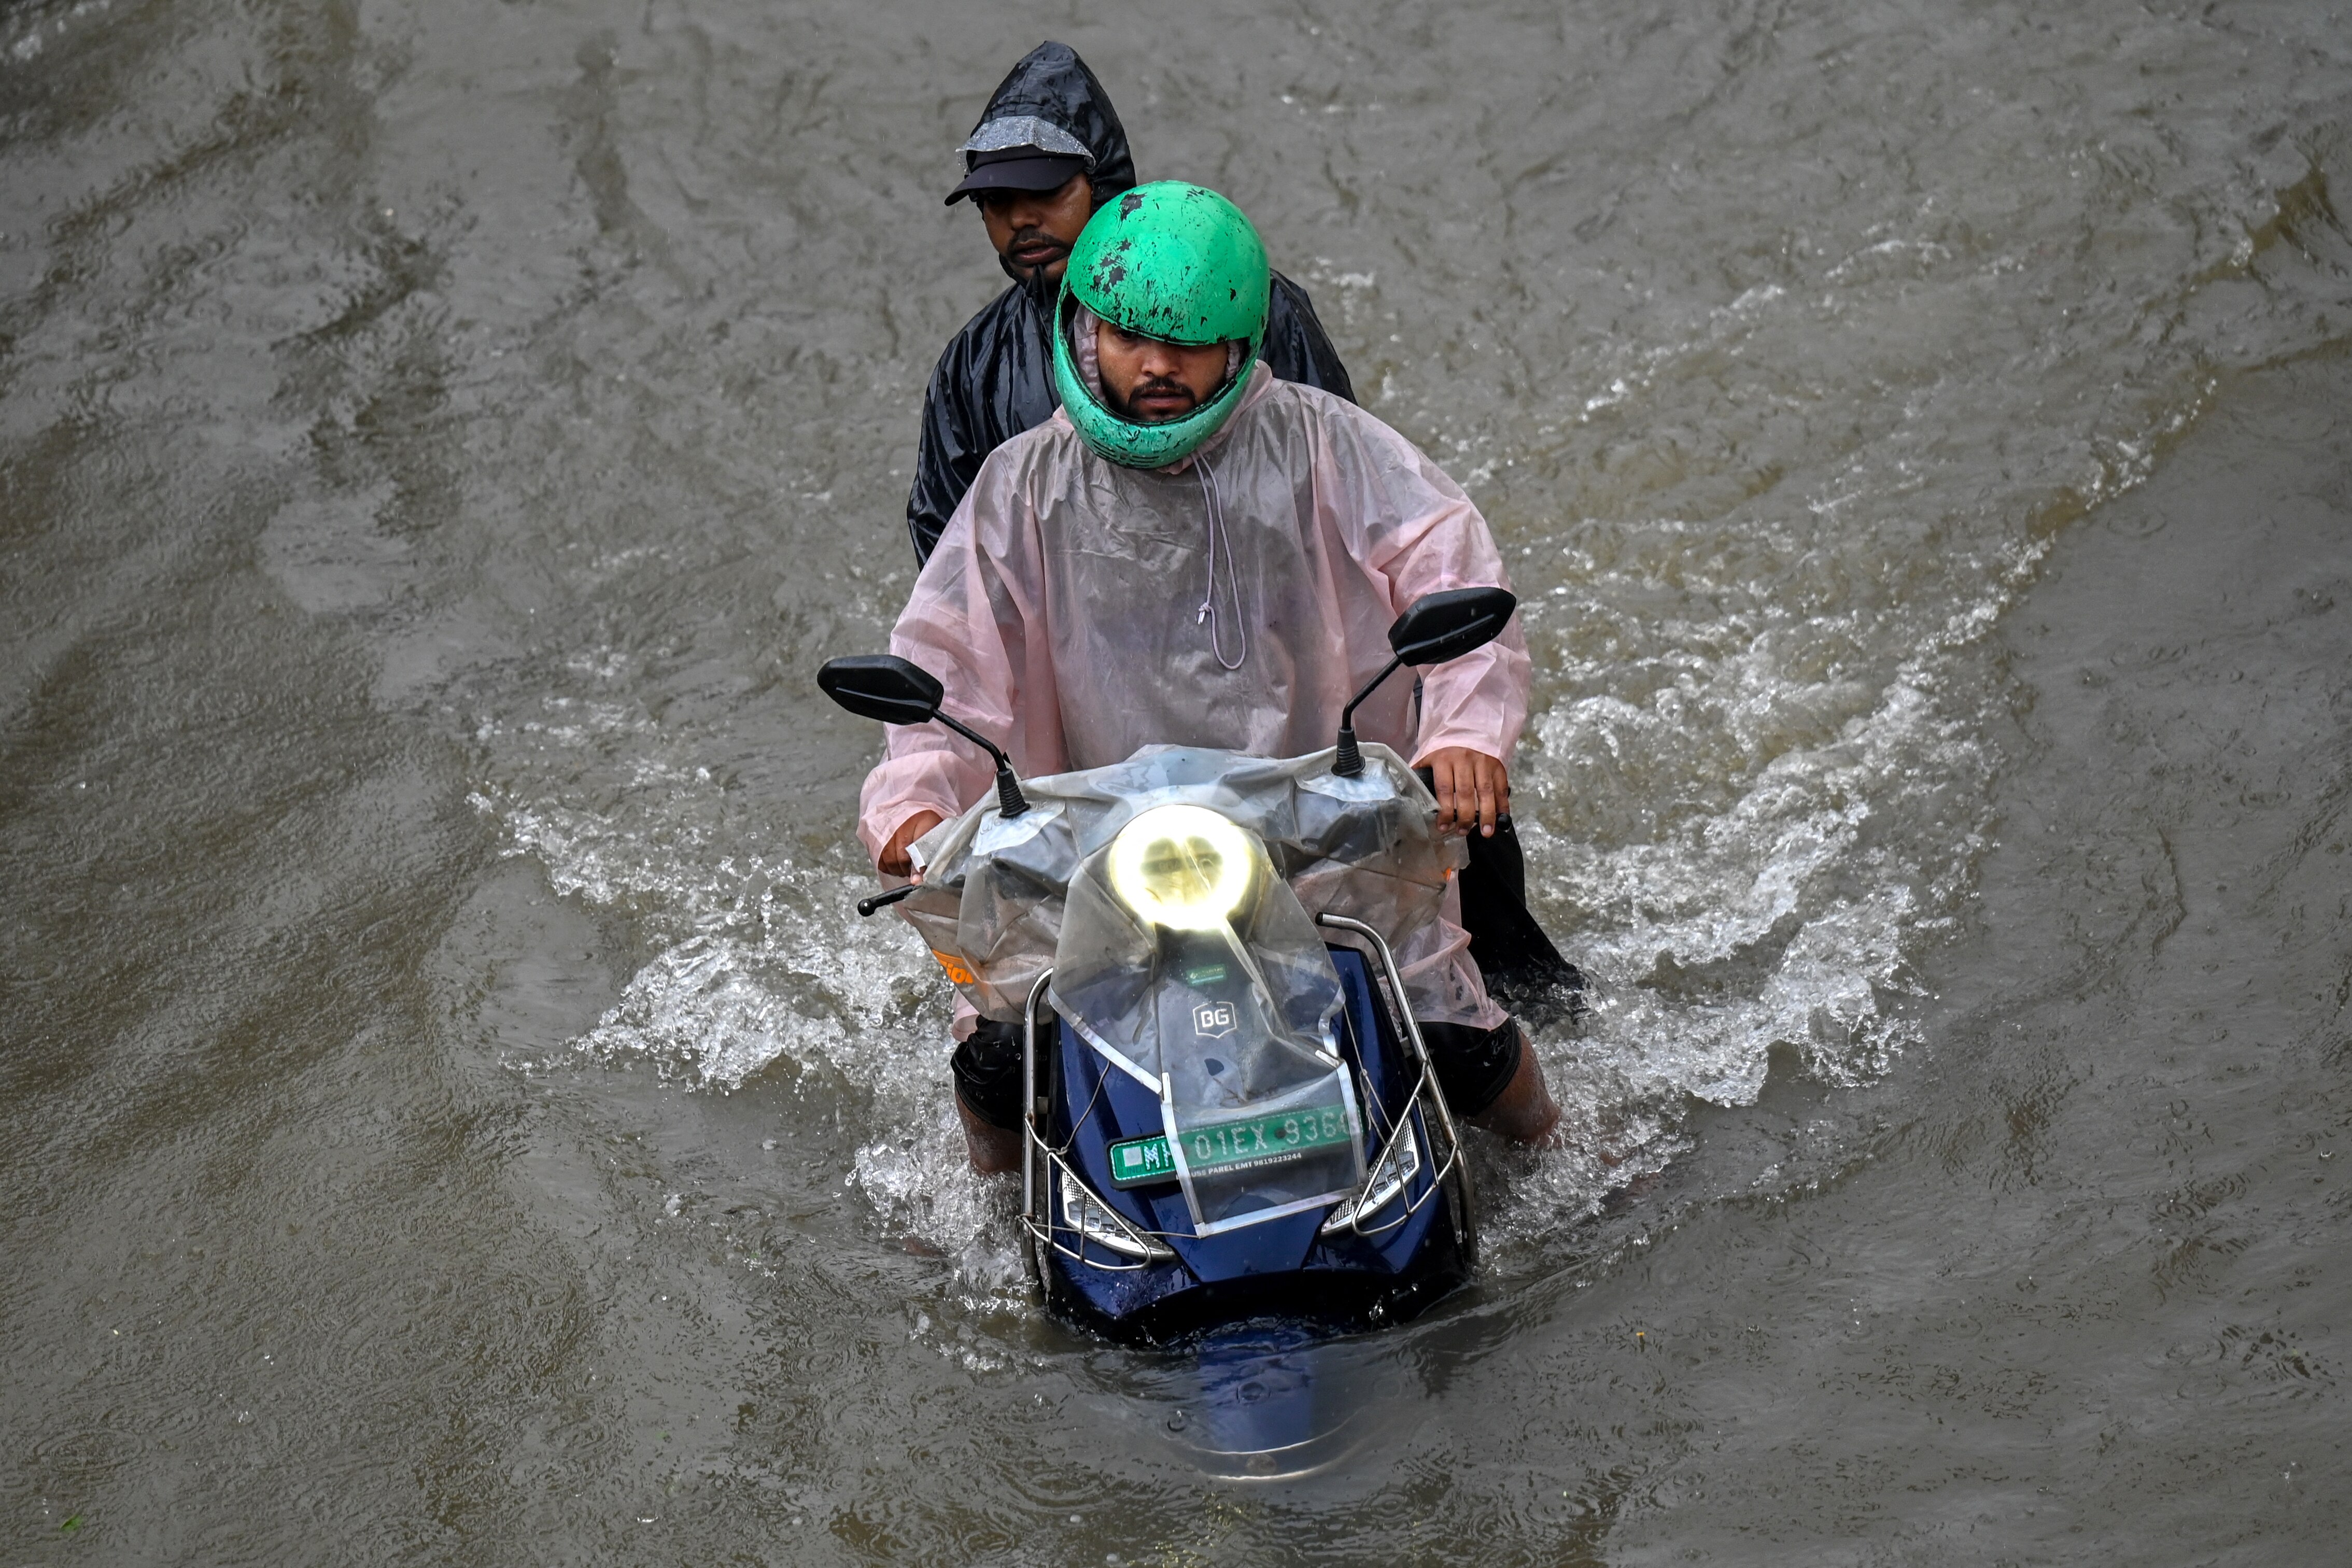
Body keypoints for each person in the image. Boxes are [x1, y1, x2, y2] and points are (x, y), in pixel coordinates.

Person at [860, 182, 1565, 1171]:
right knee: (998, 1062)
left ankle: (1572, 1149)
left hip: (1318, 836)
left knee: (1451, 1034)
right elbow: (943, 664)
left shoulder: (1322, 441)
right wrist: (913, 802)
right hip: (1097, 856)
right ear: (1084, 331)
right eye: (1132, 338)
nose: (1158, 366)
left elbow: (1452, 571)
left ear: (1236, 347)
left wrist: (1462, 735)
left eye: (1189, 343)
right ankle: (978, 1212)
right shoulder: (1023, 484)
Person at [908, 41, 1355, 566]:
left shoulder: (1243, 303)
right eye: (997, 201)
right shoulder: (972, 366)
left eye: (1046, 193)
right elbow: (949, 553)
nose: (1021, 219)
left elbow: (1342, 476)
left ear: (1102, 185)